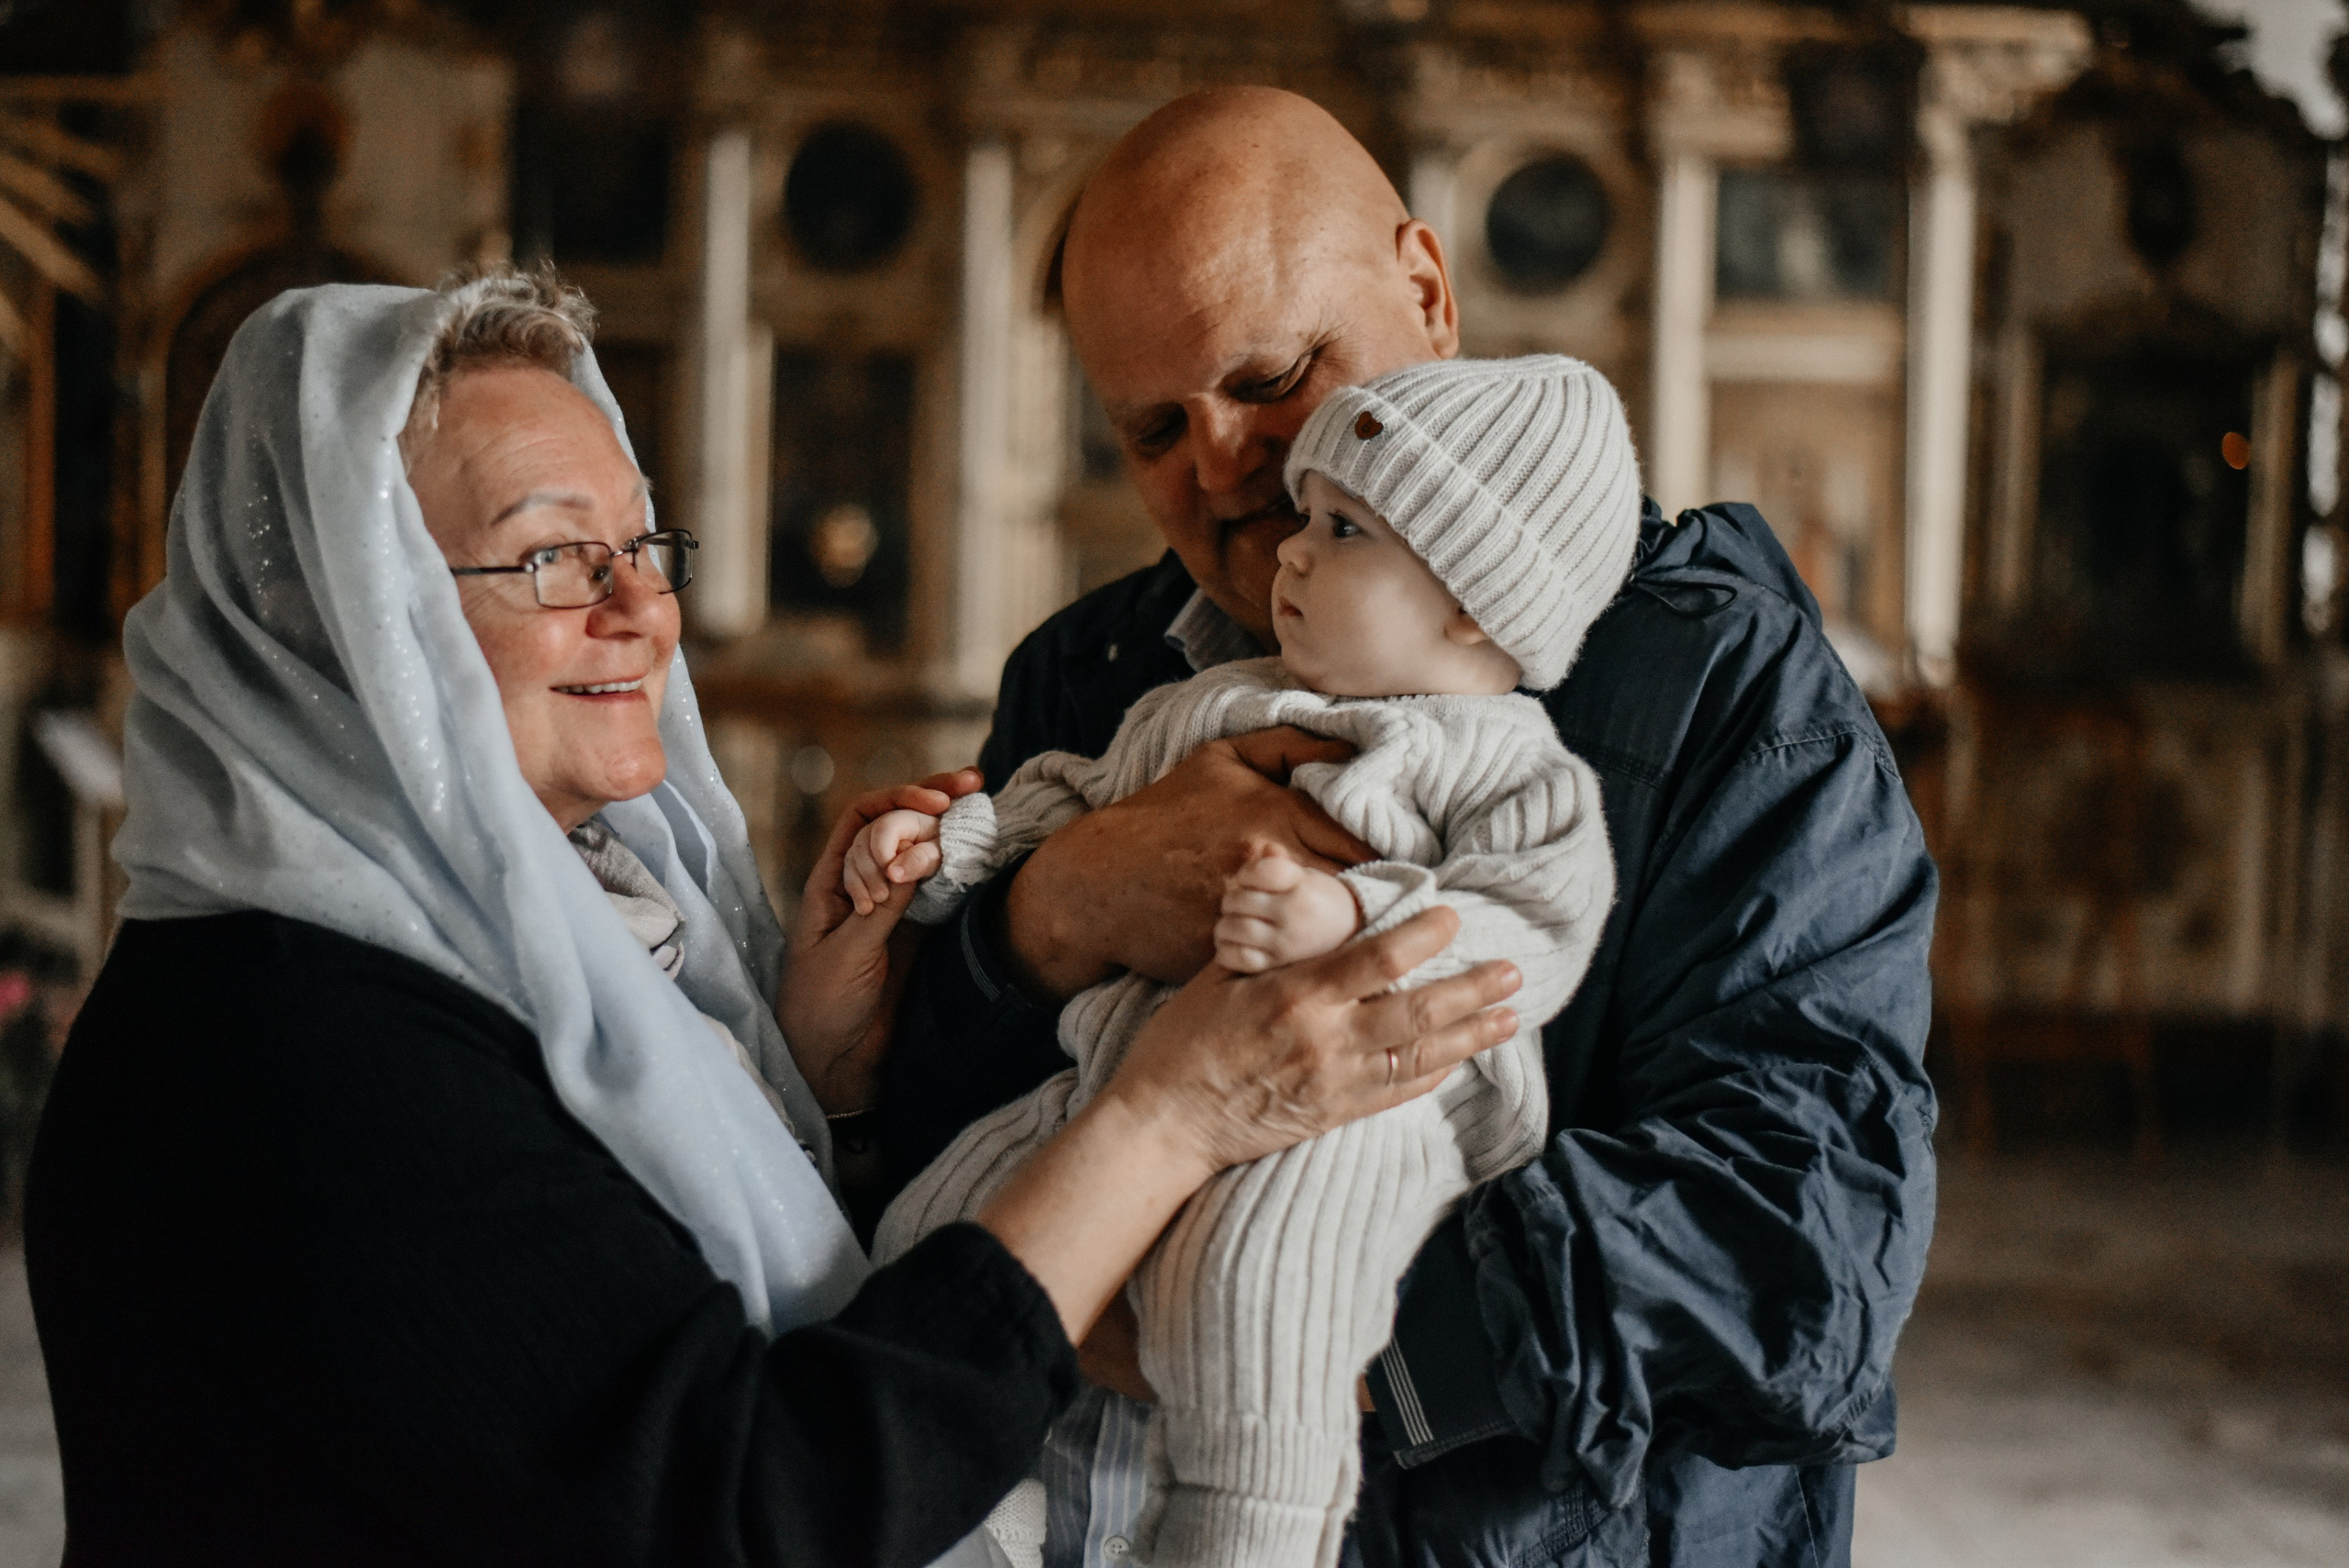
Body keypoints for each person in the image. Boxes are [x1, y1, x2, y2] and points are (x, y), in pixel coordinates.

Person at [23, 270, 1522, 1568]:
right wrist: (1167, 1115)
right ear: (352, 624)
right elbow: (752, 1507)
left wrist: (810, 1078)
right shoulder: (284, 1038)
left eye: (643, 543)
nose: (641, 610)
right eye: (554, 556)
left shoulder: (551, 937)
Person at [874, 88, 1940, 1568]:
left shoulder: (1719, 682)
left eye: (1276, 372)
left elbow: (1806, 1243)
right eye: (1152, 428)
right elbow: (901, 1113)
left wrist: (1270, 1322)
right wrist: (1050, 911)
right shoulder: (1083, 678)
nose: (1229, 461)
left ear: (1429, 294)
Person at [856, 355, 1640, 1568]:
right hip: (1128, 1081)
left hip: (1356, 1112)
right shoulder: (1216, 702)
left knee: (1255, 1295)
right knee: (934, 1229)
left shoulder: (1509, 764)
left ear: (1476, 598)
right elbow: (1078, 794)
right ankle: (949, 1499)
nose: (1292, 551)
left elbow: (1535, 918)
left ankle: (1247, 1535)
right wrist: (959, 840)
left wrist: (1354, 922)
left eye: (1343, 528)